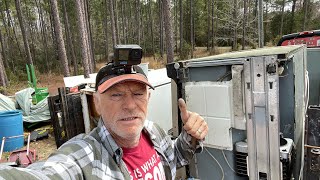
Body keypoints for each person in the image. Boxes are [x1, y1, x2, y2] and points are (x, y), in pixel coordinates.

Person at [0, 63, 208, 180]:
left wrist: (189, 137)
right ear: (97, 103)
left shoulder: (154, 131)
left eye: (138, 94)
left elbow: (175, 157)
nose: (130, 105)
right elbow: (52, 173)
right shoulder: (86, 155)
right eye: (116, 95)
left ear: (148, 99)